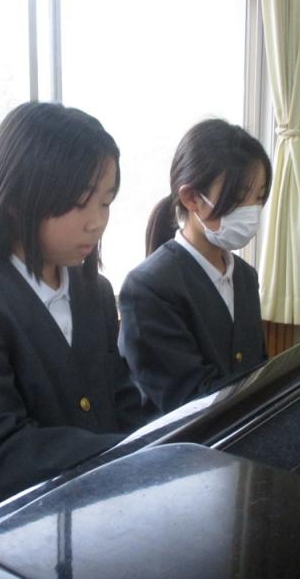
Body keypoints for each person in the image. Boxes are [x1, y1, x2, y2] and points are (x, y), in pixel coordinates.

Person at [0, 101, 144, 531]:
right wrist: (121, 452)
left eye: (106, 202)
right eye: (81, 203)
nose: (97, 222)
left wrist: (153, 446)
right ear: (18, 201)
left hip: (85, 498)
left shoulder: (95, 291)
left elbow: (122, 398)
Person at [118, 119, 272, 414]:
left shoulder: (244, 276)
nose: (252, 210)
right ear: (191, 198)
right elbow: (187, 400)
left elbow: (257, 368)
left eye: (259, 196)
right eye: (239, 196)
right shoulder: (148, 287)